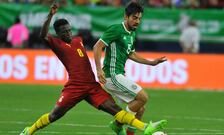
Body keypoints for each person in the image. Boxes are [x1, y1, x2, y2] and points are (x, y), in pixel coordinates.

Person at [20, 2, 167, 135]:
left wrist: (151, 62)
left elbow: (127, 52)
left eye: (69, 30)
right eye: (64, 32)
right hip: (75, 87)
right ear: (58, 34)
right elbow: (43, 35)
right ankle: (29, 130)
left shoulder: (78, 40)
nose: (68, 33)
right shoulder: (57, 44)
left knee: (117, 111)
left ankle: (145, 127)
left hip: (91, 86)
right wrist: (50, 15)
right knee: (54, 116)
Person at [93, 2, 167, 135]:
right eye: (134, 17)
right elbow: (97, 46)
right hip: (112, 75)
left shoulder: (132, 33)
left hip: (119, 75)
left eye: (139, 18)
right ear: (125, 16)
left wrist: (151, 63)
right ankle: (117, 124)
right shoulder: (116, 29)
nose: (137, 21)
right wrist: (99, 70)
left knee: (140, 109)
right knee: (143, 97)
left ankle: (128, 133)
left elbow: (131, 54)